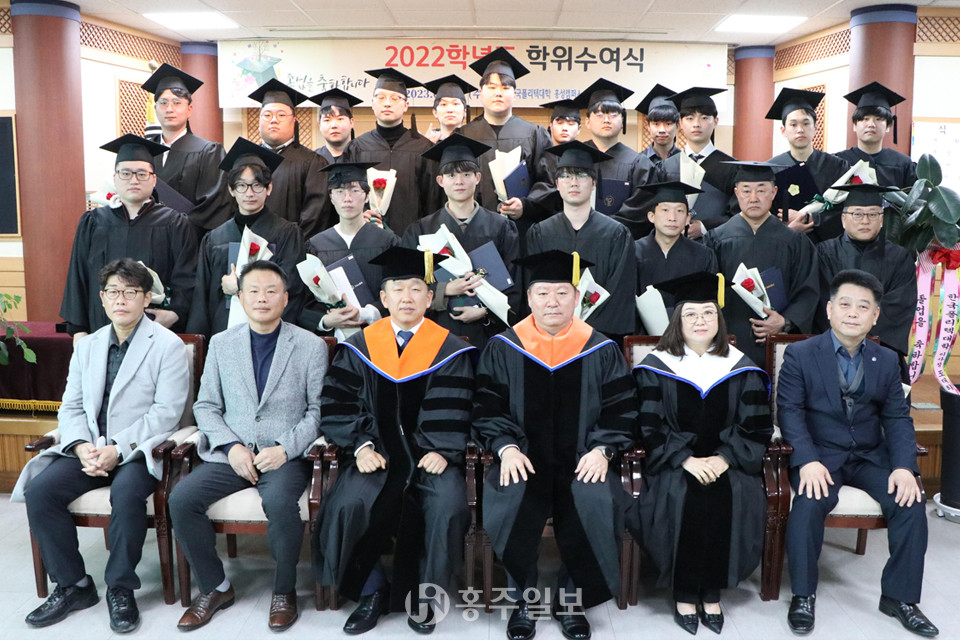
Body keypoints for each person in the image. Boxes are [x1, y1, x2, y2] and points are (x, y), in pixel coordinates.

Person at [15, 258, 189, 633]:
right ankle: (74, 585)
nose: (120, 299)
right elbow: (71, 407)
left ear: (146, 298)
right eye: (113, 291)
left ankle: (120, 588)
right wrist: (81, 447)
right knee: (40, 491)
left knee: (125, 495)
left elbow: (166, 413)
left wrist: (118, 449)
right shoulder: (88, 346)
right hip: (90, 450)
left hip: (139, 451)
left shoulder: (168, 346)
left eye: (130, 292)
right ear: (102, 298)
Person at [473, 250, 637, 640]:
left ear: (576, 298)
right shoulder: (504, 347)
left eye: (562, 293)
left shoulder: (600, 348)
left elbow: (622, 408)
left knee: (595, 499)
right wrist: (506, 448)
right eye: (543, 293)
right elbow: (486, 407)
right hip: (523, 457)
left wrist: (603, 450)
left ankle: (570, 600)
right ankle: (523, 601)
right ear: (529, 299)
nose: (552, 301)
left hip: (582, 458)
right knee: (512, 498)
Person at [313, 247, 475, 635]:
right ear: (383, 299)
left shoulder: (451, 349)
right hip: (376, 455)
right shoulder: (359, 347)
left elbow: (462, 404)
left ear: (429, 297)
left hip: (431, 457)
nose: (406, 297)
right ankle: (371, 590)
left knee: (448, 506)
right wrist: (360, 446)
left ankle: (425, 594)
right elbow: (338, 402)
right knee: (349, 503)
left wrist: (443, 448)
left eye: (416, 289)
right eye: (397, 289)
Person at [778, 269, 938, 638]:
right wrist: (807, 460)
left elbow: (897, 418)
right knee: (808, 503)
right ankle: (803, 594)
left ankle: (899, 598)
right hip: (820, 456)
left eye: (863, 307)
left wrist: (904, 467)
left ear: (875, 315)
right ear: (829, 309)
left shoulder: (887, 360)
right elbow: (790, 412)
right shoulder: (800, 354)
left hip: (870, 456)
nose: (853, 313)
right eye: (845, 304)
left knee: (911, 501)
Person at [170, 260, 327, 632]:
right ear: (240, 298)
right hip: (232, 455)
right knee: (181, 499)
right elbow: (206, 406)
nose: (262, 298)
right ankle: (216, 587)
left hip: (283, 456)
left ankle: (284, 591)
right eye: (253, 291)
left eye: (271, 291)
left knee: (280, 504)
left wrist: (285, 448)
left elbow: (319, 411)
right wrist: (231, 447)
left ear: (285, 298)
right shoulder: (222, 344)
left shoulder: (311, 345)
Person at [629, 272, 772, 635]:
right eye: (690, 314)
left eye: (708, 313)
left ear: (719, 320)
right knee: (683, 495)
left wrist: (724, 459)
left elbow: (755, 427)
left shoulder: (741, 367)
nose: (700, 321)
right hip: (674, 462)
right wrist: (685, 459)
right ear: (677, 321)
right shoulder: (656, 367)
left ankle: (711, 590)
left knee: (731, 495)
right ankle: (684, 591)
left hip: (729, 462)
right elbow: (649, 425)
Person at [61, 134, 198, 342]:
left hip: (155, 330)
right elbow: (77, 276)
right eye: (125, 173)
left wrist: (174, 314)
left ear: (154, 180)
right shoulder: (93, 222)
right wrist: (78, 329)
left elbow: (187, 277)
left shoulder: (175, 223)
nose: (134, 180)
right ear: (115, 178)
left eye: (142, 174)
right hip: (100, 329)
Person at [403, 133, 520, 350]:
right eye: (451, 175)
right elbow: (407, 284)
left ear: (478, 178)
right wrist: (445, 289)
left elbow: (516, 284)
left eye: (466, 174)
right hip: (436, 332)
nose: (459, 181)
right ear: (440, 181)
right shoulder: (421, 230)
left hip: (490, 336)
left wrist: (485, 311)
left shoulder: (501, 227)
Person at [187, 138, 305, 338]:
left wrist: (240, 287)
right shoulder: (214, 238)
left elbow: (292, 288)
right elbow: (201, 298)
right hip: (223, 334)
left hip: (272, 334)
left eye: (257, 185)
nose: (249, 193)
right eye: (241, 185)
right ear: (231, 190)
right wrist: (200, 343)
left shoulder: (286, 234)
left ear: (269, 188)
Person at [706, 161, 820, 367]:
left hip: (778, 341)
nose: (754, 198)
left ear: (774, 192)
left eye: (761, 190)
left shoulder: (795, 241)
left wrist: (785, 321)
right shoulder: (716, 239)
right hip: (728, 337)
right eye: (746, 190)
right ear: (736, 193)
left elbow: (808, 290)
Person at [526, 141, 637, 343]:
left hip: (599, 340)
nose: (574, 182)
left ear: (594, 183)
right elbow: (534, 288)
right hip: (550, 338)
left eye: (582, 175)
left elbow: (620, 292)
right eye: (566, 176)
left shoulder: (616, 234)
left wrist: (586, 332)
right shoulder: (540, 232)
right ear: (557, 183)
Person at [460, 47, 552, 240]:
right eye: (492, 87)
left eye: (505, 87)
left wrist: (525, 205)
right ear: (480, 93)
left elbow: (549, 181)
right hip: (474, 230)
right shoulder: (464, 135)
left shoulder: (535, 134)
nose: (498, 93)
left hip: (521, 231)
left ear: (515, 94)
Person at [816, 183, 917, 357]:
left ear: (882, 219)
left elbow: (899, 305)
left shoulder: (900, 257)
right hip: (832, 348)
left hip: (881, 349)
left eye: (873, 214)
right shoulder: (825, 253)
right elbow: (822, 300)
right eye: (857, 214)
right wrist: (846, 335)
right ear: (843, 219)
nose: (865, 221)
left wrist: (861, 335)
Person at [300, 161, 400, 338]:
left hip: (381, 335)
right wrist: (325, 320)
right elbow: (304, 299)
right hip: (334, 340)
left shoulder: (388, 242)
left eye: (354, 191)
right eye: (339, 191)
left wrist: (369, 312)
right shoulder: (316, 245)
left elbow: (398, 287)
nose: (347, 198)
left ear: (367, 196)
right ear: (331, 198)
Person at [345, 68, 438, 236]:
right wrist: (360, 214)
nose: (387, 103)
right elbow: (348, 191)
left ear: (406, 105)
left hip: (411, 238)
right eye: (381, 97)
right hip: (367, 235)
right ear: (372, 102)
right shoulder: (357, 147)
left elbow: (432, 200)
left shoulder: (423, 148)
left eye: (395, 98)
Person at [141, 63, 231, 236]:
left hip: (191, 239)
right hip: (148, 237)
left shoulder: (209, 152)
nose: (169, 109)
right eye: (163, 103)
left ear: (189, 109)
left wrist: (176, 226)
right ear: (155, 108)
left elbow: (215, 205)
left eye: (177, 102)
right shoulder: (145, 151)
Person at [574, 79, 658, 238]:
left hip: (622, 241)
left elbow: (640, 209)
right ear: (587, 122)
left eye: (613, 114)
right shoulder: (574, 158)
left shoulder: (639, 164)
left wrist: (602, 228)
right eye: (599, 114)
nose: (606, 120)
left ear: (622, 121)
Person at [766, 88, 850, 242]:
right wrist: (787, 229)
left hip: (828, 246)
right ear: (783, 130)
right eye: (793, 124)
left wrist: (811, 218)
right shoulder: (771, 168)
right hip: (784, 245)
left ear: (815, 128)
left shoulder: (836, 166)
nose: (800, 130)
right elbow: (763, 214)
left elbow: (846, 210)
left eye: (806, 123)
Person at [249, 79, 330, 237]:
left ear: (294, 121)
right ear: (258, 122)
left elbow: (315, 216)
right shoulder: (247, 160)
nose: (274, 120)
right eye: (267, 115)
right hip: (250, 246)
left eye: (281, 115)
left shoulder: (313, 162)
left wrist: (292, 244)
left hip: (295, 246)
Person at [634, 182, 718, 332]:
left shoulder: (703, 255)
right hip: (641, 337)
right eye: (665, 210)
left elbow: (708, 303)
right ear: (651, 216)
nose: (672, 218)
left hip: (689, 334)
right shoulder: (634, 252)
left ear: (687, 219)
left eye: (679, 211)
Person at [669, 87, 738, 239]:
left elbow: (738, 215)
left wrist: (705, 227)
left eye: (704, 118)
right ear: (680, 123)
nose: (696, 124)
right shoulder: (667, 166)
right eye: (689, 118)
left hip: (717, 243)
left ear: (716, 121)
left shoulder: (733, 167)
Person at [835, 82, 917, 189]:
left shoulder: (903, 164)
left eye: (878, 119)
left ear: (888, 126)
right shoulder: (838, 162)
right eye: (865, 119)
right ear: (854, 126)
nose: (871, 124)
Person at [524, 99, 581, 223]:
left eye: (571, 124)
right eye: (559, 123)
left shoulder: (583, 160)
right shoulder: (538, 157)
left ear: (579, 129)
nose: (565, 128)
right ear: (551, 125)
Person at [636, 84, 682, 170]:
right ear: (648, 126)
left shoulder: (686, 162)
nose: (662, 130)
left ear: (678, 125)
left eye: (668, 123)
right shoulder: (637, 162)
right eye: (656, 124)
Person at [423, 75, 475, 143]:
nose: (450, 110)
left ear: (465, 112)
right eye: (443, 104)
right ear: (435, 112)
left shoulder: (474, 142)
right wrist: (425, 147)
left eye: (455, 104)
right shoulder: (427, 143)